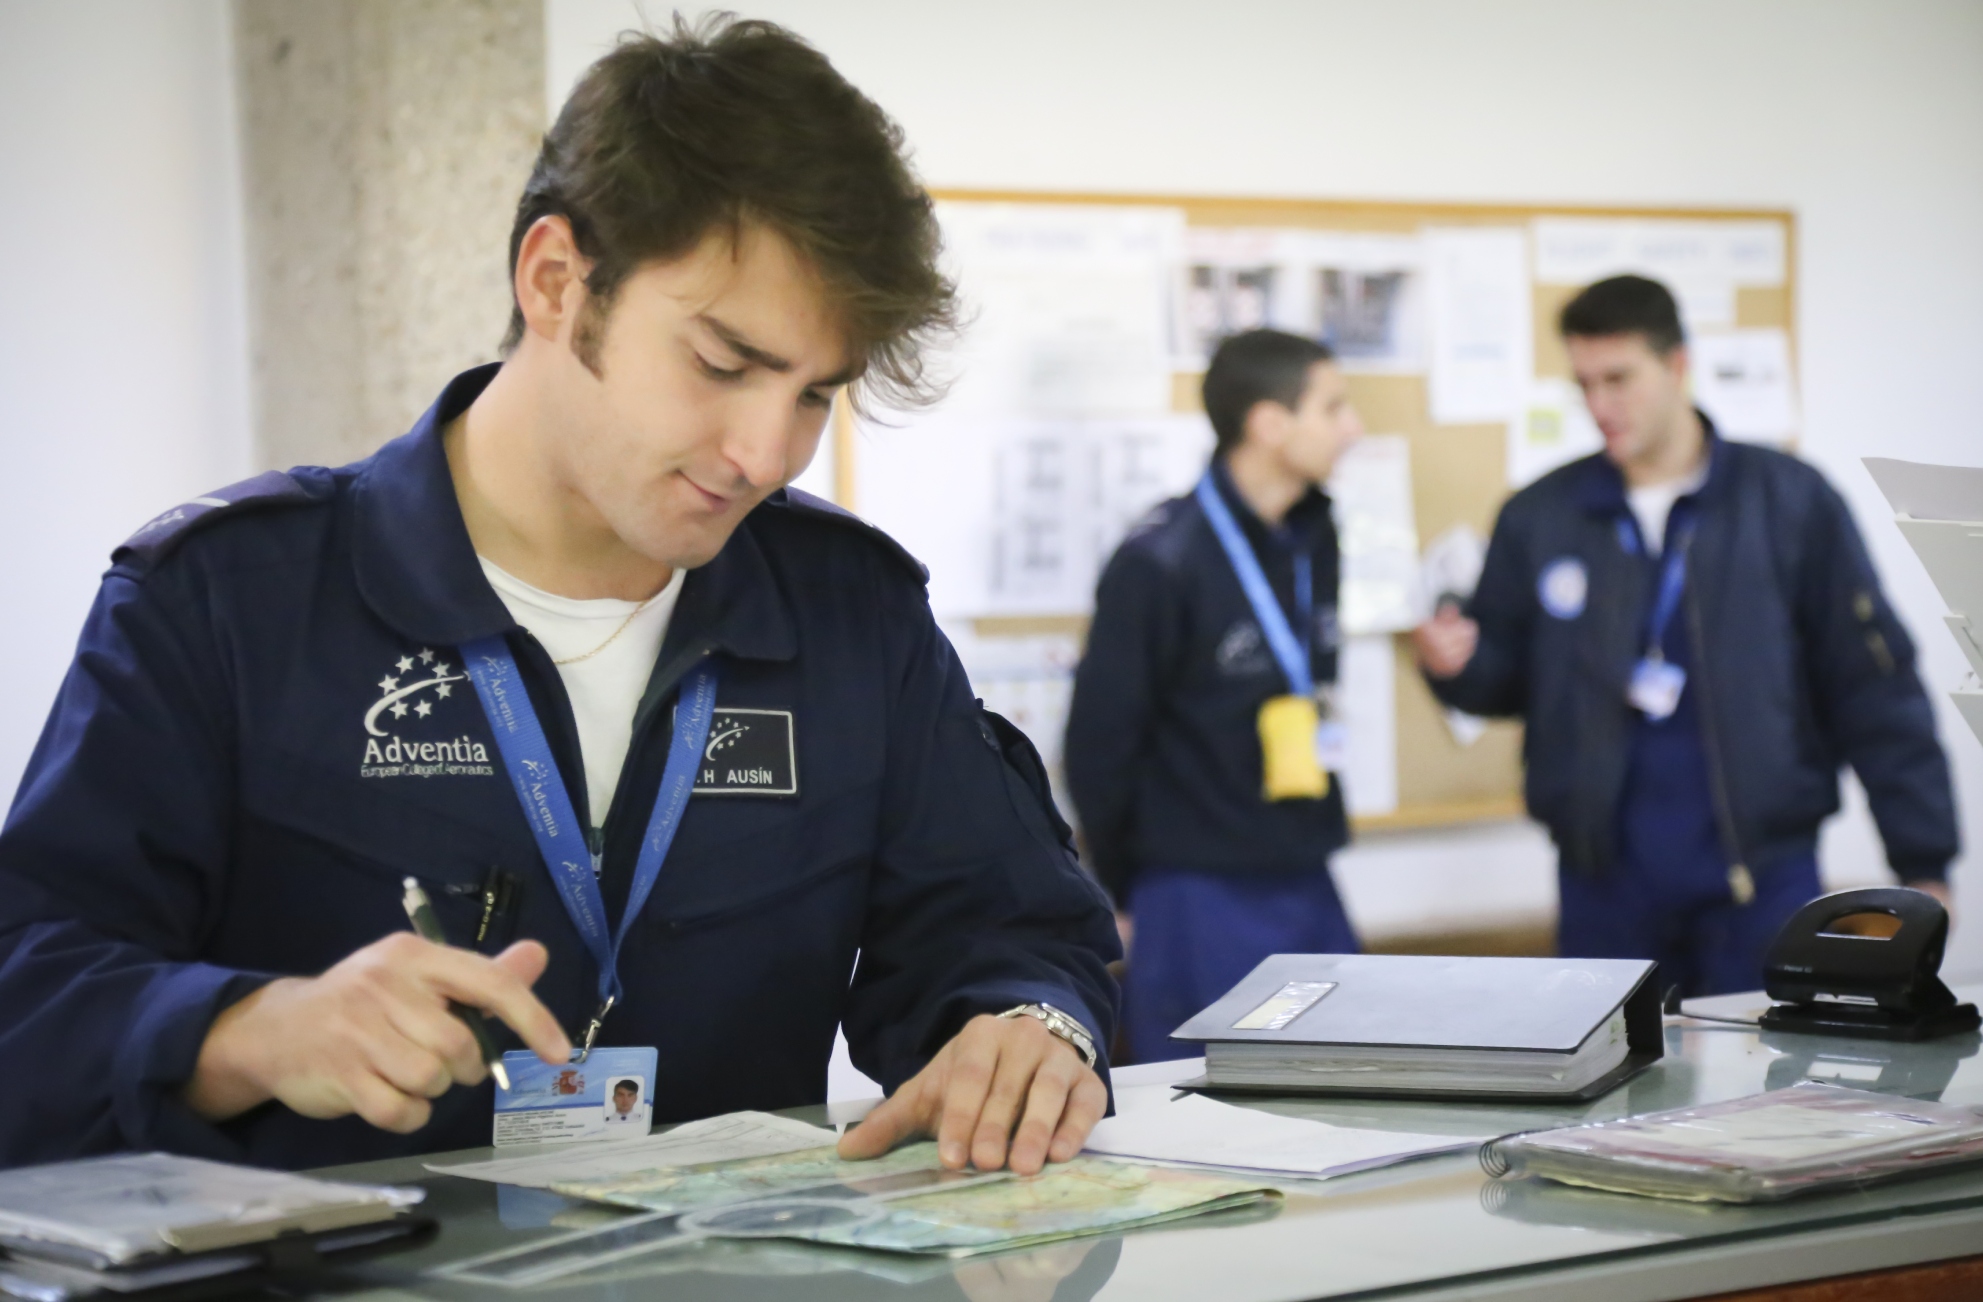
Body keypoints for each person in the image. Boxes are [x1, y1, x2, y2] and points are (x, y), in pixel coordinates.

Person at [0, 17, 1117, 1173]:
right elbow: (28, 993)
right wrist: (242, 1032)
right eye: (723, 366)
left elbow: (1008, 926)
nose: (763, 453)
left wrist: (1026, 1027)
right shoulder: (225, 603)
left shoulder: (852, 614)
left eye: (812, 396)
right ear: (553, 281)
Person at [1412, 275, 1957, 997]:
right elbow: (1505, 681)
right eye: (1583, 383)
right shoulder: (1540, 516)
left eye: (1618, 379)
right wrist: (1455, 666)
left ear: (1675, 366)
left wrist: (1923, 862)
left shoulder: (1787, 502)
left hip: (1758, 879)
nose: (1599, 405)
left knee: (1768, 1097)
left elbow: (1872, 687)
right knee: (1607, 1097)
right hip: (1603, 883)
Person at [1065, 329, 1365, 1063]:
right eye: (1332, 408)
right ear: (1268, 424)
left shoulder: (1313, 536)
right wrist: (1121, 893)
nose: (1351, 428)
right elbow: (1097, 747)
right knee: (1199, 1113)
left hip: (1304, 869)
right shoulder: (1159, 561)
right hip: (1195, 891)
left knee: (1352, 1082)